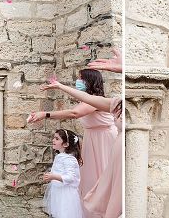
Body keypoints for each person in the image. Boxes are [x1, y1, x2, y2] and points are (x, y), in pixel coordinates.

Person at [41, 49, 122, 218]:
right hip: (92, 139)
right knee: (88, 177)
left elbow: (74, 113)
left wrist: (45, 114)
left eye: (81, 79)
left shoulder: (95, 101)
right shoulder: (87, 99)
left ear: (89, 82)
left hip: (104, 140)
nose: (78, 81)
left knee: (100, 176)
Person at [43, 129, 84, 218]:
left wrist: (53, 176)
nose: (53, 140)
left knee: (65, 214)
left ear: (65, 144)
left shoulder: (69, 159)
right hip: (58, 191)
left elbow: (70, 177)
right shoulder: (60, 156)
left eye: (57, 139)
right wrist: (51, 175)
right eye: (54, 138)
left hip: (66, 194)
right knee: (58, 213)